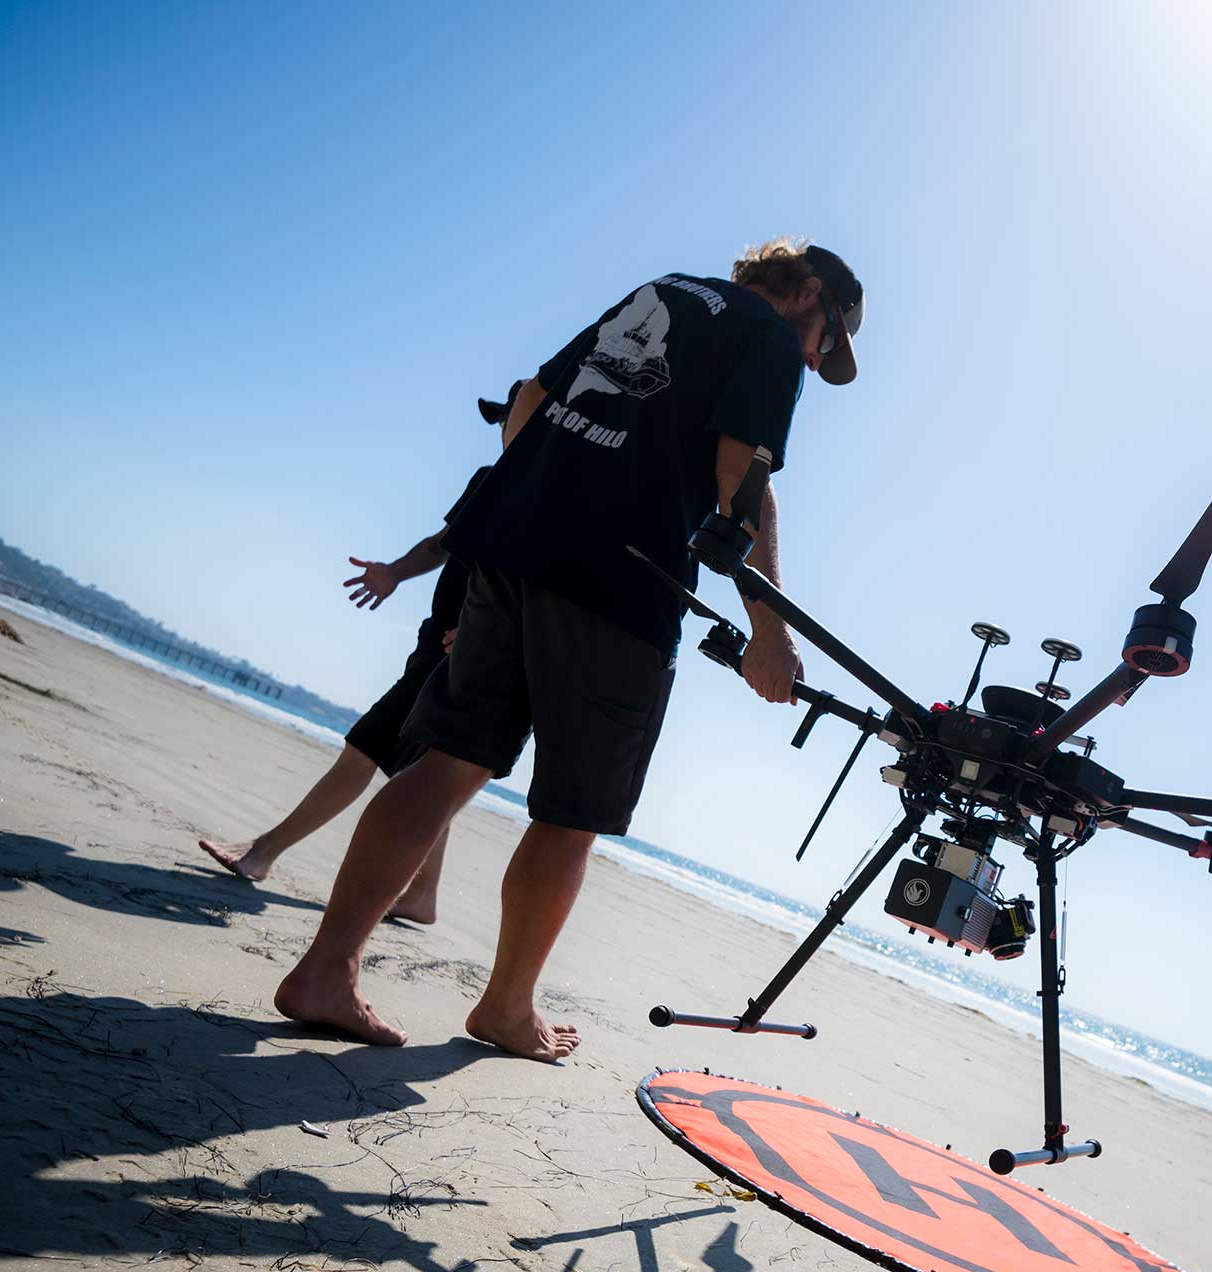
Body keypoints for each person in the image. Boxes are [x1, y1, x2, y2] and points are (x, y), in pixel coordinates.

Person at [274, 239, 864, 1057]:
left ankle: (324, 971)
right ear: (804, 292)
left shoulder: (660, 290)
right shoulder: (767, 340)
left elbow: (534, 400)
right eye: (827, 339)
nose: (815, 355)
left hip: (515, 550)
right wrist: (770, 631)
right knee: (572, 812)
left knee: (445, 761)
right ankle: (506, 1008)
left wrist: (526, 504)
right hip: (621, 585)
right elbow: (742, 480)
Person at [198, 386, 526, 922]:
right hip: (439, 639)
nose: (509, 429)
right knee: (423, 775)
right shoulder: (490, 479)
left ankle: (264, 852)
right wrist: (393, 572)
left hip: (466, 651)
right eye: (506, 420)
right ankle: (421, 896)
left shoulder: (543, 494)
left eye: (519, 417)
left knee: (366, 746)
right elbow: (443, 544)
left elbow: (528, 579)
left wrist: (483, 630)